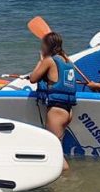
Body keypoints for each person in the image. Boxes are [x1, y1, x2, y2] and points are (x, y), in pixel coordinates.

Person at [28, 31, 77, 174]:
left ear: (47, 46)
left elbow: (33, 78)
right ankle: (63, 177)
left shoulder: (49, 61)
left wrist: (41, 60)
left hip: (56, 110)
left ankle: (67, 179)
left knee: (55, 150)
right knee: (58, 147)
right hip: (68, 110)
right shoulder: (68, 61)